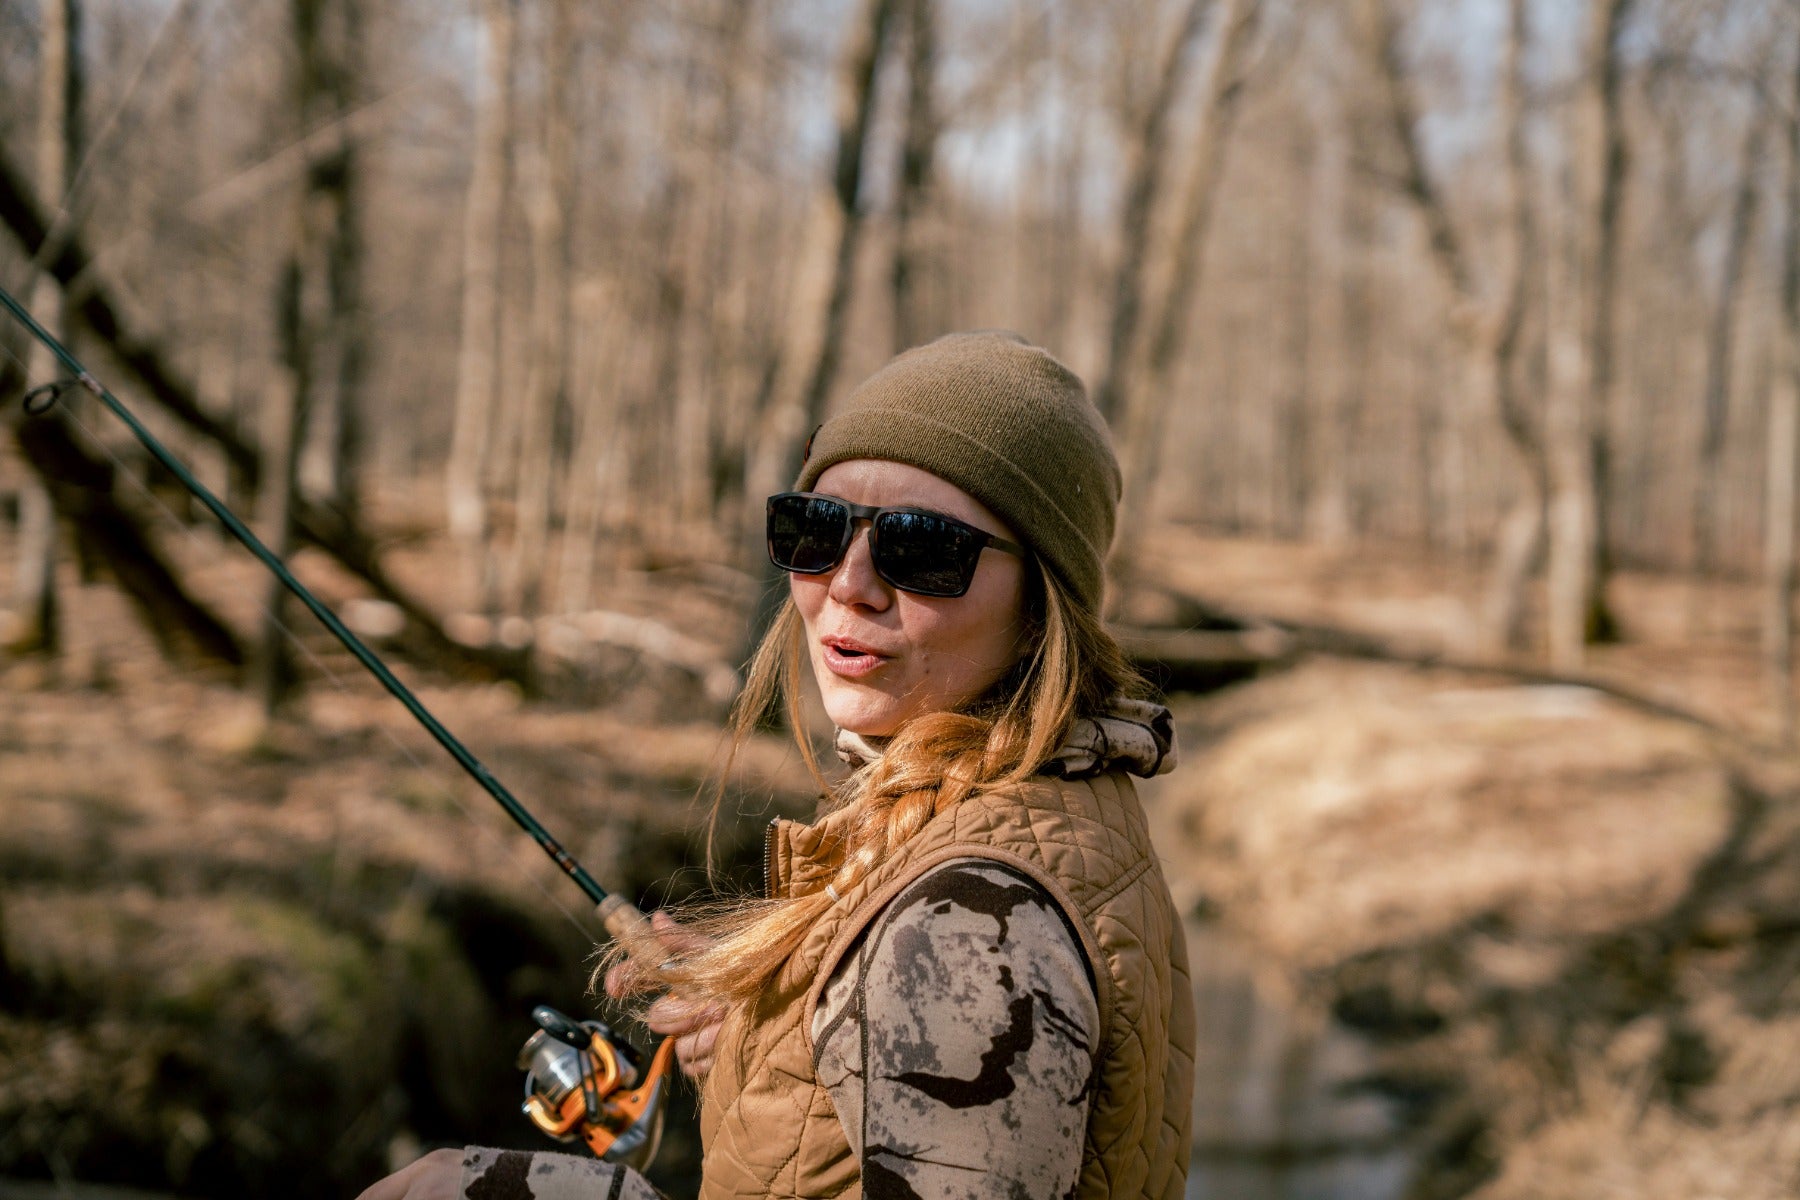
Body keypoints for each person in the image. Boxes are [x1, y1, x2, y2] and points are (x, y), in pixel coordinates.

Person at [358, 331, 1195, 1200]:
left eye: (922, 549)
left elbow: (963, 1003)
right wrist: (786, 1035)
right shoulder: (1071, 802)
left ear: (1040, 601)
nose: (850, 583)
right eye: (816, 528)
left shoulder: (969, 931)